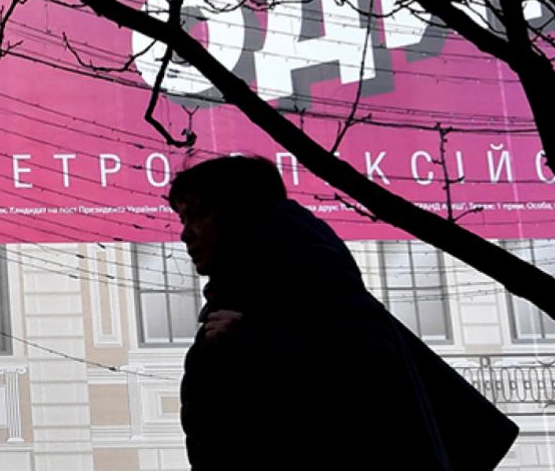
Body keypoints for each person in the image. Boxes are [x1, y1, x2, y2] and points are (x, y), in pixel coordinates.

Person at [168, 155, 519, 470]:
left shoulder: (308, 281)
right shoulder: (240, 298)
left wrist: (257, 341)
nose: (186, 234)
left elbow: (363, 373)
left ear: (239, 214)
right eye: (183, 218)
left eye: (198, 214)